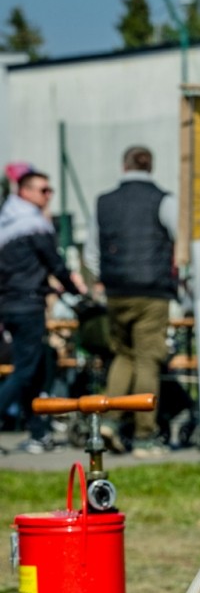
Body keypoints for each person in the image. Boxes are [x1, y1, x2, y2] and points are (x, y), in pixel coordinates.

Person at [86, 146, 177, 455]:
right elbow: (181, 241)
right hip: (152, 292)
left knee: (123, 355)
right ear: (150, 166)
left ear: (124, 166)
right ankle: (144, 436)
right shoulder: (163, 200)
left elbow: (92, 253)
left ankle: (110, 421)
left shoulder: (103, 202)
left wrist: (106, 278)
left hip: (116, 291)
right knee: (147, 359)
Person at [0, 170, 86, 452]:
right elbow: (55, 263)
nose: (49, 195)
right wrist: (74, 290)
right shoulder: (33, 224)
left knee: (33, 372)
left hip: (10, 304)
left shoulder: (7, 222)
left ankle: (39, 434)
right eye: (43, 190)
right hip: (28, 305)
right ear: (24, 192)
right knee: (25, 371)